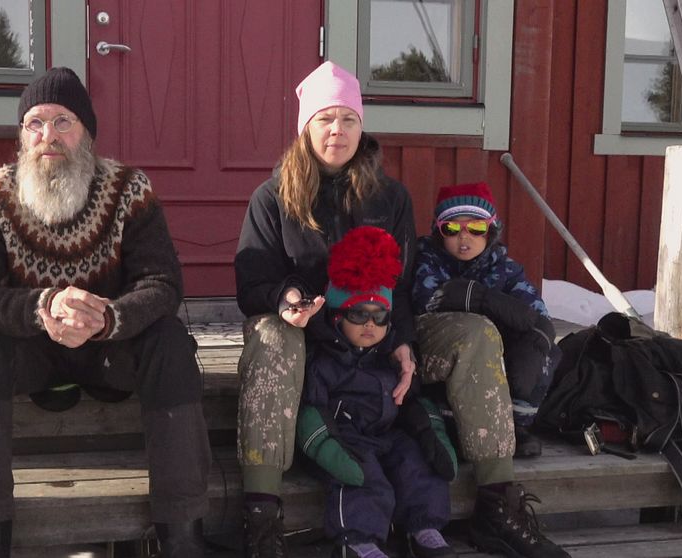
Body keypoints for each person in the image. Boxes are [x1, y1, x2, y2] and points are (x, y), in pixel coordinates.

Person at [0, 67, 212, 558]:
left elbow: (163, 283)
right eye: (35, 124)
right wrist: (41, 306)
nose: (48, 136)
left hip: (109, 351)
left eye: (62, 121)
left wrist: (107, 317)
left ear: (87, 131)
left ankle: (183, 534)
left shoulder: (130, 189)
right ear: (22, 136)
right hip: (30, 352)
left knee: (171, 342)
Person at [234, 61, 418, 558]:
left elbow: (407, 283)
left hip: (370, 339)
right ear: (305, 127)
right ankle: (262, 509)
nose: (337, 130)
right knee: (272, 337)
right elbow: (252, 284)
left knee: (474, 334)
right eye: (325, 119)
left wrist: (402, 338)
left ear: (362, 125)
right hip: (305, 339)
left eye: (348, 119)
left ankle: (493, 495)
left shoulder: (392, 199)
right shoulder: (272, 199)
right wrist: (286, 299)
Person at [411, 182, 570, 558]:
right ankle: (496, 494)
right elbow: (426, 297)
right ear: (439, 231)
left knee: (540, 345)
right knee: (480, 332)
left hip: (486, 376)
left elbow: (536, 317)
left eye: (475, 228)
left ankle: (515, 424)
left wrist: (532, 334)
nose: (464, 238)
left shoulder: (506, 269)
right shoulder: (426, 260)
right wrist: (477, 297)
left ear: (491, 230)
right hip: (431, 363)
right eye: (453, 228)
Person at [297, 226, 456, 558]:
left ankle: (423, 527)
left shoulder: (390, 359)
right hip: (345, 439)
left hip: (386, 432)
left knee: (416, 463)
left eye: (379, 316)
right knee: (363, 476)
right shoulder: (324, 362)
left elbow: (411, 401)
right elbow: (311, 410)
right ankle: (357, 540)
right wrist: (328, 446)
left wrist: (431, 431)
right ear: (338, 318)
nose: (369, 324)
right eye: (358, 315)